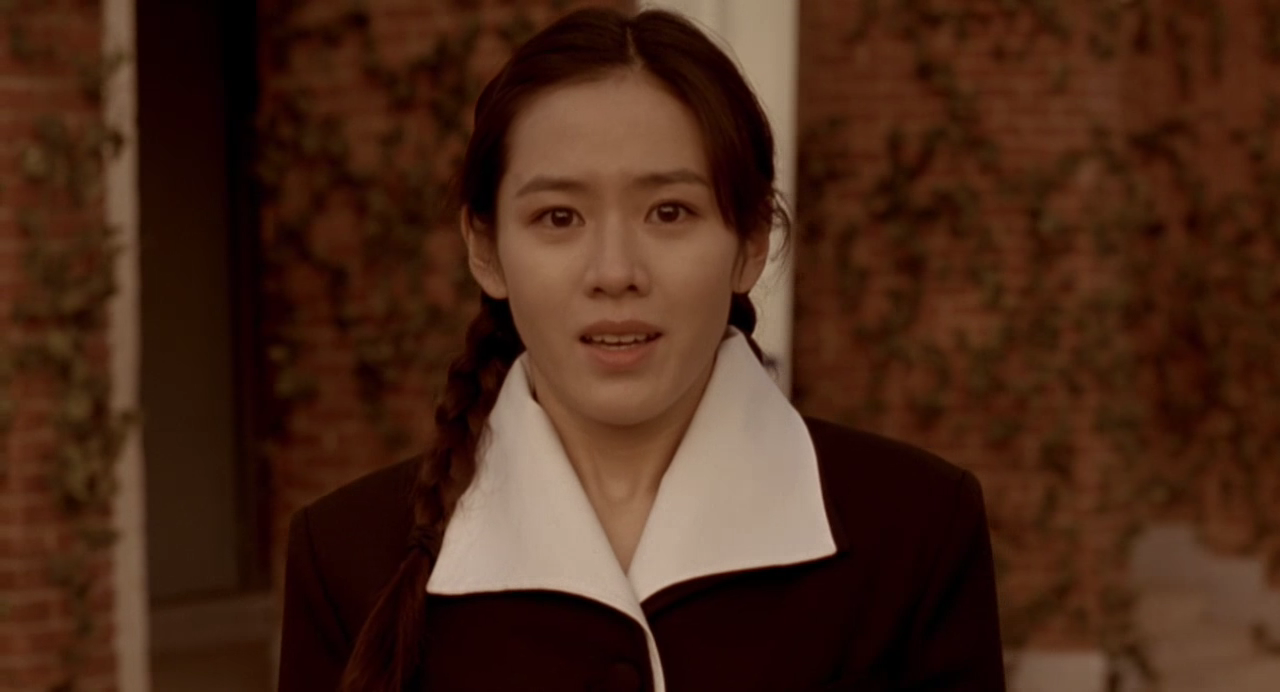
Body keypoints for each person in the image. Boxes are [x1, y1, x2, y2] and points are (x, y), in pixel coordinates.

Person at [277, 6, 1005, 691]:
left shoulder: (916, 529)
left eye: (669, 211)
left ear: (751, 243)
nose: (616, 271)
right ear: (485, 249)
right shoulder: (346, 555)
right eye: (559, 217)